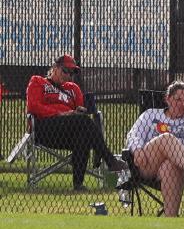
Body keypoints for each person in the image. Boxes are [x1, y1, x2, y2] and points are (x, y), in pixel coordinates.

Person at [120, 80, 184, 217]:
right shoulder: (151, 114)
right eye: (178, 99)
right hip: (149, 162)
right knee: (166, 138)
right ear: (167, 99)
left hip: (178, 166)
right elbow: (133, 135)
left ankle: (171, 220)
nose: (182, 104)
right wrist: (138, 149)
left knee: (169, 166)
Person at [27, 54, 118, 190]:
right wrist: (61, 113)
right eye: (66, 71)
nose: (69, 75)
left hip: (66, 134)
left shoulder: (73, 88)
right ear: (55, 68)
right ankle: (109, 159)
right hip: (43, 128)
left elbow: (81, 115)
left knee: (84, 135)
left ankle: (78, 184)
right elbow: (33, 106)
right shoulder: (38, 81)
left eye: (72, 73)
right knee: (83, 122)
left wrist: (79, 111)